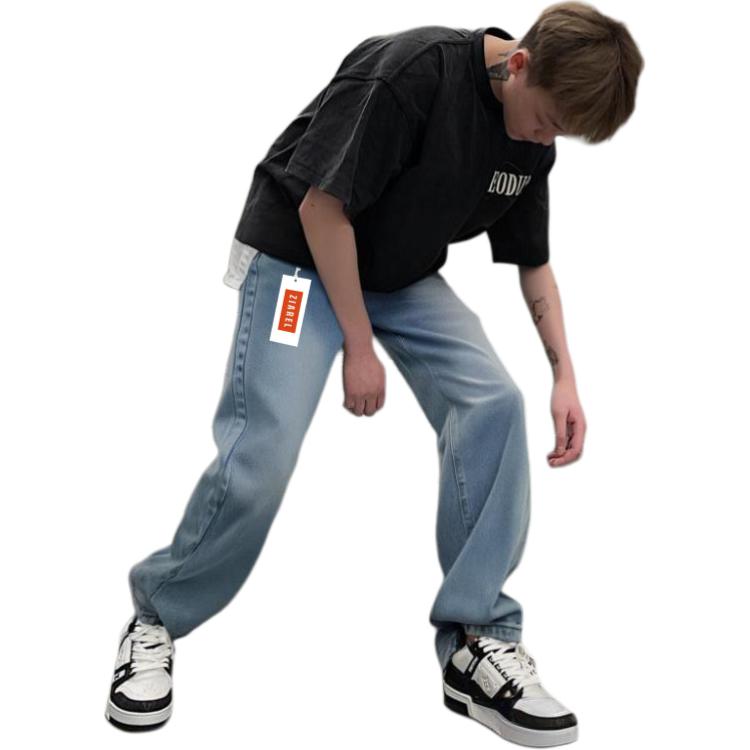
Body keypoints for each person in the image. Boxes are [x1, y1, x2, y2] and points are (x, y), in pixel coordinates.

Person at [105, 3, 643, 744]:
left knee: (495, 402)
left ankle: (476, 640)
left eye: (561, 134)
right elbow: (321, 206)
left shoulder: (531, 139)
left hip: (399, 275)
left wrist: (566, 378)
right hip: (299, 262)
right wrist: (358, 347)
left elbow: (533, 262)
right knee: (265, 448)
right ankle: (156, 618)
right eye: (548, 121)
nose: (546, 140)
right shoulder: (411, 74)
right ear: (519, 64)